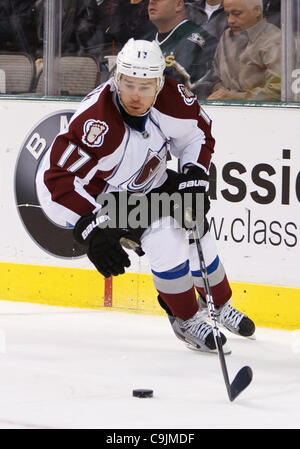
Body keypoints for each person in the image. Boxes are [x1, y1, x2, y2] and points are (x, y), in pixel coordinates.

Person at [37, 38, 255, 354]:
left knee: (195, 223)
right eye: (127, 84)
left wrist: (193, 175)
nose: (135, 96)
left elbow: (198, 135)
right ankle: (186, 317)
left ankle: (219, 304)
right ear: (116, 80)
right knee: (165, 233)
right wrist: (94, 229)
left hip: (148, 177)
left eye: (145, 86)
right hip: (99, 194)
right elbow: (57, 180)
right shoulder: (95, 123)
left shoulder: (173, 100)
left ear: (159, 83)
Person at [205, 0, 281, 101]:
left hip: (262, 113)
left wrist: (233, 97)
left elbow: (277, 92)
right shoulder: (226, 36)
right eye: (227, 14)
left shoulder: (274, 41)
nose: (230, 20)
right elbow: (213, 79)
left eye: (237, 14)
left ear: (257, 11)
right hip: (223, 109)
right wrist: (220, 93)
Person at [145, 0, 219, 98]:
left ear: (179, 4)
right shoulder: (145, 40)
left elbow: (192, 90)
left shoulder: (197, 40)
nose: (152, 1)